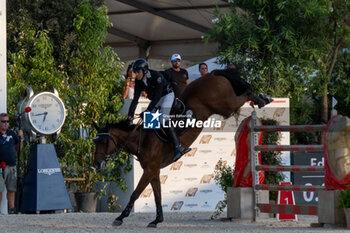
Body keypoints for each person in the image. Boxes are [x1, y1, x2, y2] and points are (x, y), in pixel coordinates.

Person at [127, 58, 190, 161]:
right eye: (135, 71)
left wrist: (148, 111)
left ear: (145, 71)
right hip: (156, 99)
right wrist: (129, 116)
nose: (135, 74)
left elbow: (157, 96)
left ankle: (178, 147)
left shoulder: (157, 76)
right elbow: (135, 100)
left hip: (166, 96)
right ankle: (157, 149)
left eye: (137, 71)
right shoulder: (138, 82)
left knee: (162, 120)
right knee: (149, 123)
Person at [0, 113, 23, 214]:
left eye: (7, 121)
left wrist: (21, 138)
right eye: (3, 121)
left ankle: (12, 209)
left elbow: (19, 149)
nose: (6, 123)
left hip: (12, 166)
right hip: (0, 166)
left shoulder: (12, 133)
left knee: (11, 189)